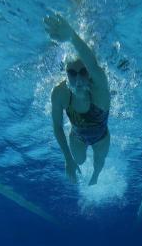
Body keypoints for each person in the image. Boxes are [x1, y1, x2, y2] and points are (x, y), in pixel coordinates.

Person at [44, 13, 111, 185]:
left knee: (99, 162)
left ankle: (95, 177)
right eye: (72, 73)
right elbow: (57, 126)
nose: (79, 79)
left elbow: (93, 64)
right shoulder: (59, 94)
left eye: (83, 72)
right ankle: (79, 163)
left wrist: (72, 37)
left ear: (89, 74)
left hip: (101, 136)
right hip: (77, 136)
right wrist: (68, 159)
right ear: (66, 75)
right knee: (78, 161)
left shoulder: (99, 91)